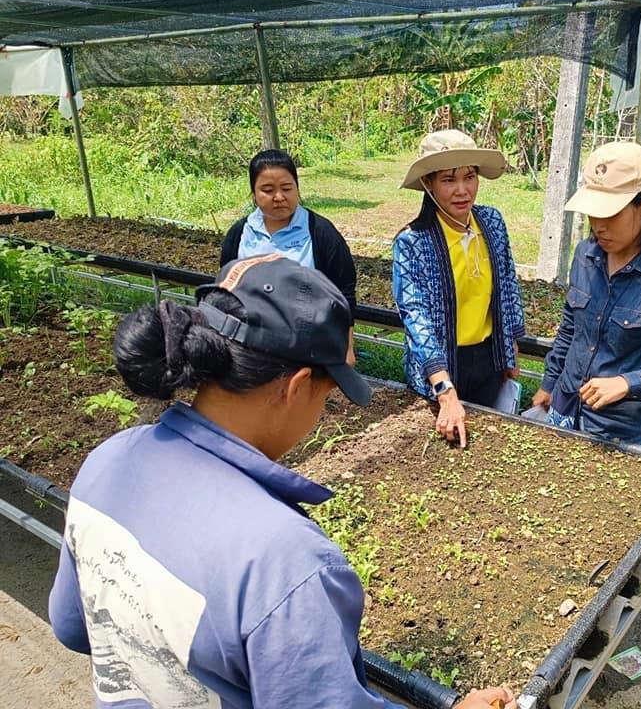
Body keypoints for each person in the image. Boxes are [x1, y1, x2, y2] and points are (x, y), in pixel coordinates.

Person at [48, 254, 516, 709]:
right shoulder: (285, 564)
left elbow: (71, 624)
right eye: (328, 395)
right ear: (294, 388)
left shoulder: (108, 462)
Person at [531, 142, 641, 451]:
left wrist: (628, 383)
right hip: (564, 408)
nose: (599, 225)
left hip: (624, 430)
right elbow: (571, 328)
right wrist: (550, 382)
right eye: (592, 213)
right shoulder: (586, 255)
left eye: (610, 214)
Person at [393, 129, 525, 447]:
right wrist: (444, 390)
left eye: (470, 176)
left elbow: (507, 283)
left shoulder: (491, 222)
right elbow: (416, 318)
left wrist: (512, 349)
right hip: (440, 367)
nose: (462, 190)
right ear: (428, 184)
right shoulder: (412, 242)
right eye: (449, 180)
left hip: (488, 359)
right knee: (442, 448)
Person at [220, 149, 357, 344]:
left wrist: (348, 347)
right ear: (253, 194)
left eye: (286, 188)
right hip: (249, 344)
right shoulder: (239, 233)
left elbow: (344, 291)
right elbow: (225, 289)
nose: (278, 197)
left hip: (308, 344)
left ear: (297, 189)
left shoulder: (321, 232)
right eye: (267, 190)